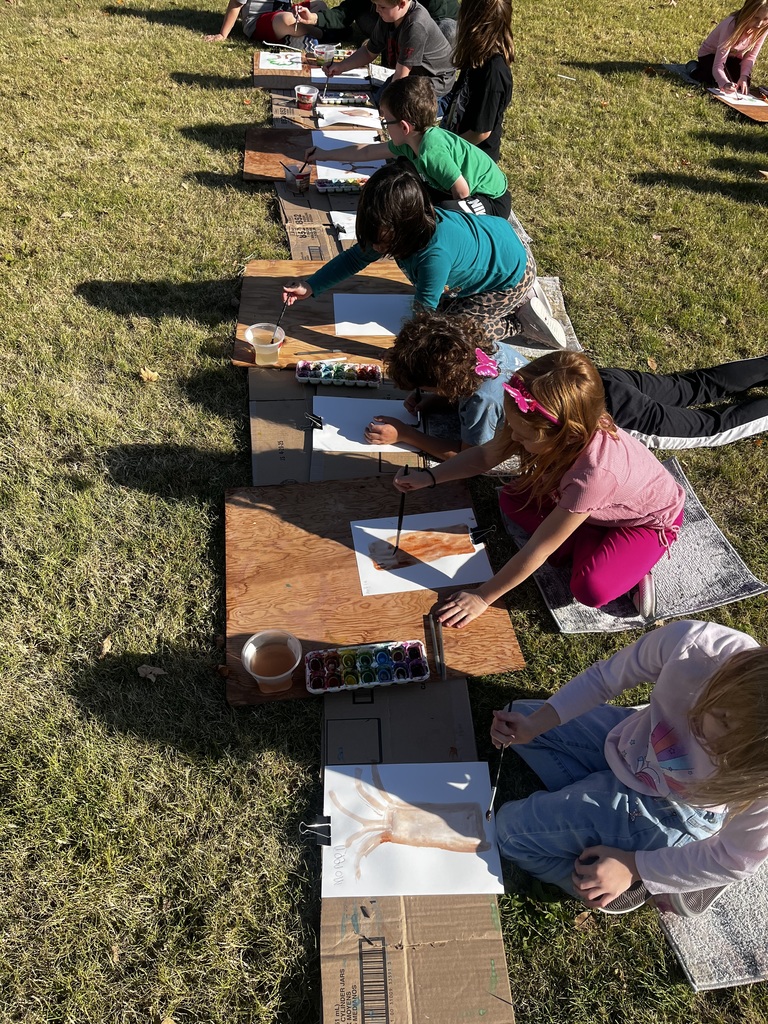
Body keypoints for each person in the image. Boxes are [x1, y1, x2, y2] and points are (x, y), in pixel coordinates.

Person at [490, 619, 768, 916]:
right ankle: (613, 826)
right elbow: (605, 678)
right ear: (729, 677)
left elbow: (736, 857)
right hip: (631, 743)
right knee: (516, 720)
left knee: (509, 832)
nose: (713, 746)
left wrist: (634, 867)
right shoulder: (692, 646)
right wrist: (535, 725)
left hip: (676, 810)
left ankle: (620, 882)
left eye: (732, 756)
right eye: (722, 718)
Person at [393, 351, 686, 622]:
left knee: (590, 589)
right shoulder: (536, 420)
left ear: (568, 436)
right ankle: (585, 533)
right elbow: (485, 456)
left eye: (523, 436)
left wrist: (483, 597)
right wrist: (430, 477)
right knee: (512, 498)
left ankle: (630, 568)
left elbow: (538, 550)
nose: (515, 440)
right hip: (592, 503)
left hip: (644, 522)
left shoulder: (596, 474)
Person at [364, 312, 768, 453]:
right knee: (689, 386)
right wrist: (435, 402)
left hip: (612, 414)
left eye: (424, 388)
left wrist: (406, 435)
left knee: (711, 427)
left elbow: (467, 455)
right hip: (600, 379)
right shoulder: (482, 351)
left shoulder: (484, 402)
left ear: (444, 383)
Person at [281, 163, 565, 346]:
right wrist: (311, 285)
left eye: (380, 240)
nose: (375, 247)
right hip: (497, 247)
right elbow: (355, 257)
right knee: (443, 311)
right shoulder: (405, 228)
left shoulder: (433, 258)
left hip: (511, 276)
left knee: (453, 331)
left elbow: (423, 319)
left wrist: (402, 353)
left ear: (406, 229)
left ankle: (518, 321)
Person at [306, 76, 511, 217]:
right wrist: (323, 154)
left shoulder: (431, 151)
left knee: (438, 215)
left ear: (404, 127)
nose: (384, 128)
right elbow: (367, 151)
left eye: (386, 122)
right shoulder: (410, 141)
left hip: (490, 199)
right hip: (461, 189)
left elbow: (462, 192)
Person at [321, 0, 456, 104]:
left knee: (399, 108)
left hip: (435, 81)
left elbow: (401, 75)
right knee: (378, 99)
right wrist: (340, 67)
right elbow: (369, 52)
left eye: (382, 6)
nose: (377, 10)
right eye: (376, 5)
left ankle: (441, 106)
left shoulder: (416, 25)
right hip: (411, 75)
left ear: (402, 3)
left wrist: (387, 108)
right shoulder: (389, 16)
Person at [440, 0, 514, 162]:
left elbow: (480, 132)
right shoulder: (477, 58)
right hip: (455, 143)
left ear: (472, 21)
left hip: (472, 160)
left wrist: (444, 151)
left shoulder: (493, 72)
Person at [291, 0, 458, 47]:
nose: (376, 8)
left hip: (437, 27)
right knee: (363, 18)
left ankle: (391, 40)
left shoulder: (435, 5)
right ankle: (388, 39)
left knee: (448, 31)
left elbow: (432, 26)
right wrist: (314, 18)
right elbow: (348, 11)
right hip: (396, 21)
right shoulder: (383, 10)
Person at [690, 0, 768, 93]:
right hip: (711, 55)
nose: (759, 24)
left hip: (732, 56)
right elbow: (718, 65)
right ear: (747, 12)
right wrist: (724, 83)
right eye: (755, 17)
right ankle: (693, 67)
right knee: (712, 79)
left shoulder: (762, 29)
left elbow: (751, 56)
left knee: (740, 82)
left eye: (765, 19)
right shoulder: (730, 25)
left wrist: (744, 76)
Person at [203, 0, 326, 45]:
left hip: (285, 12)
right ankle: (320, 34)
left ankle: (298, 35)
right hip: (258, 21)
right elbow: (235, 4)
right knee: (288, 20)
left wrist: (299, 10)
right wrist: (223, 34)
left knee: (319, 5)